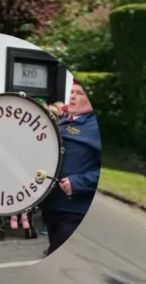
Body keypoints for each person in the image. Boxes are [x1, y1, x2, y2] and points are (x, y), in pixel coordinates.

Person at [39, 81, 101, 257]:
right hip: (53, 208)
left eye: (80, 93)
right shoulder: (63, 122)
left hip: (76, 212)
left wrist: (78, 182)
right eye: (72, 92)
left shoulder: (96, 128)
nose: (73, 97)